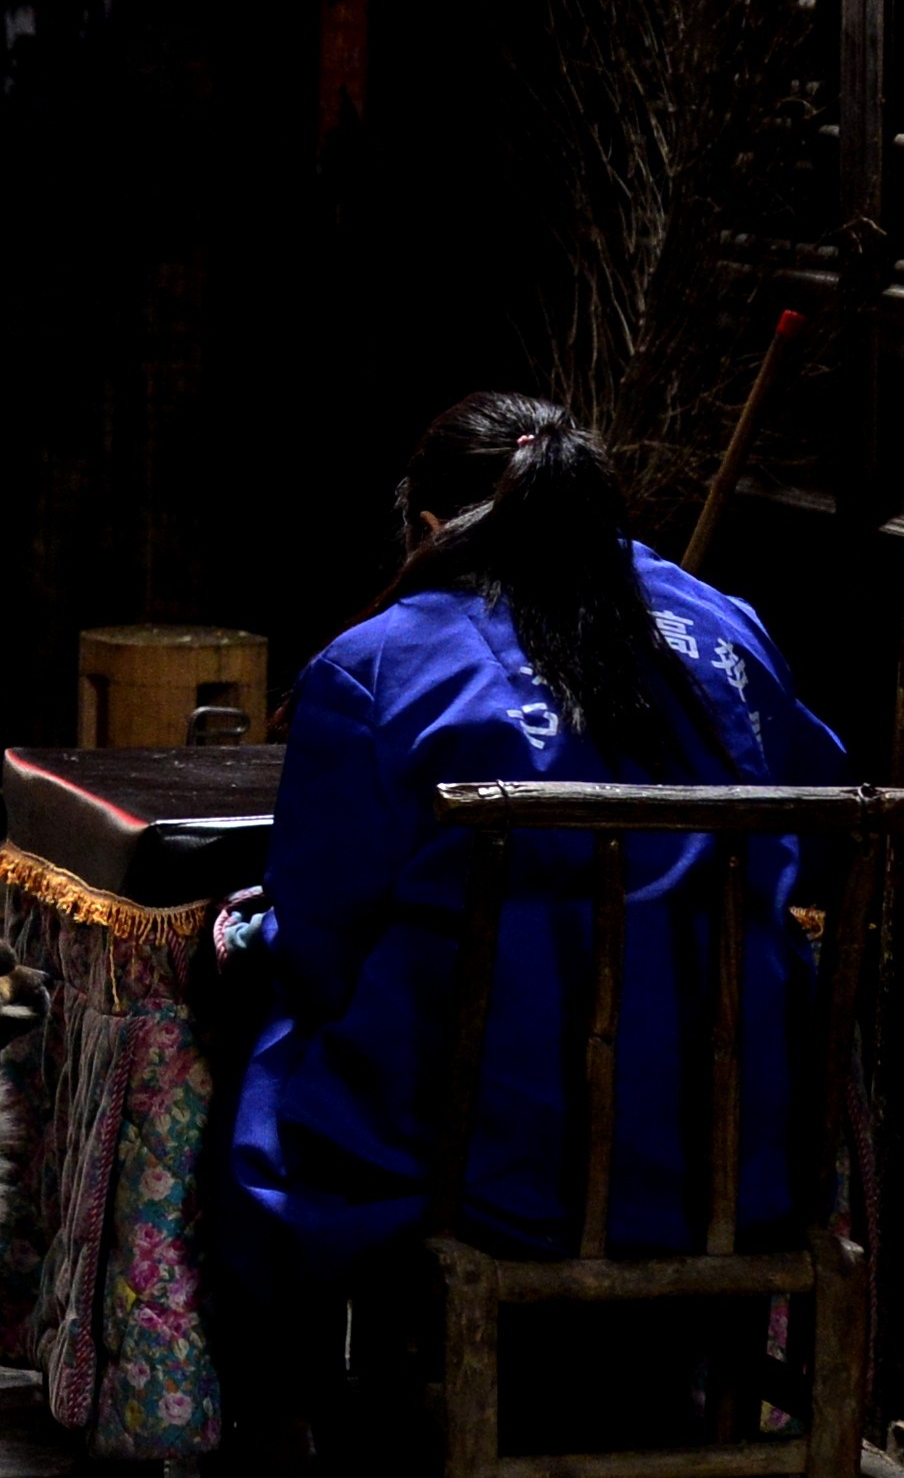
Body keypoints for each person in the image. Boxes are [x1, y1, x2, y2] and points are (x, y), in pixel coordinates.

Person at [226, 392, 845, 1292]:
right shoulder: (724, 627)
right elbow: (817, 834)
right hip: (742, 1147)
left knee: (258, 1010)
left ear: (433, 528)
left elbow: (325, 933)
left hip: (489, 1158)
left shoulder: (381, 660)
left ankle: (272, 1399)